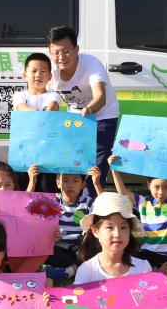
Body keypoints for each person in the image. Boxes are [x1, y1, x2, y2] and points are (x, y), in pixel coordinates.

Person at [45, 25, 119, 194]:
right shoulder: (52, 73)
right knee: (74, 163)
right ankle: (73, 206)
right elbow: (52, 99)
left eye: (66, 51)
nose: (61, 57)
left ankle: (94, 205)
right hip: (75, 119)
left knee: (96, 166)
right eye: (55, 52)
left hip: (102, 116)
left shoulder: (91, 64)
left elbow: (100, 97)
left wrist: (87, 111)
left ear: (76, 49)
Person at [28, 165, 104, 280]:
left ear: (83, 184)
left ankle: (70, 271)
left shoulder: (87, 202)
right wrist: (32, 182)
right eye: (65, 180)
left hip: (81, 249)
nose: (70, 185)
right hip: (59, 249)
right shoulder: (51, 201)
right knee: (39, 242)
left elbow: (106, 208)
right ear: (58, 183)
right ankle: (73, 268)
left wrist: (97, 184)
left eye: (75, 181)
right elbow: (25, 208)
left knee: (93, 241)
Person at [110, 164, 167, 257]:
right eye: (156, 187)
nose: (160, 192)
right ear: (149, 185)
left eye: (166, 187)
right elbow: (123, 193)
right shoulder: (143, 202)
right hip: (148, 254)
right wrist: (114, 169)